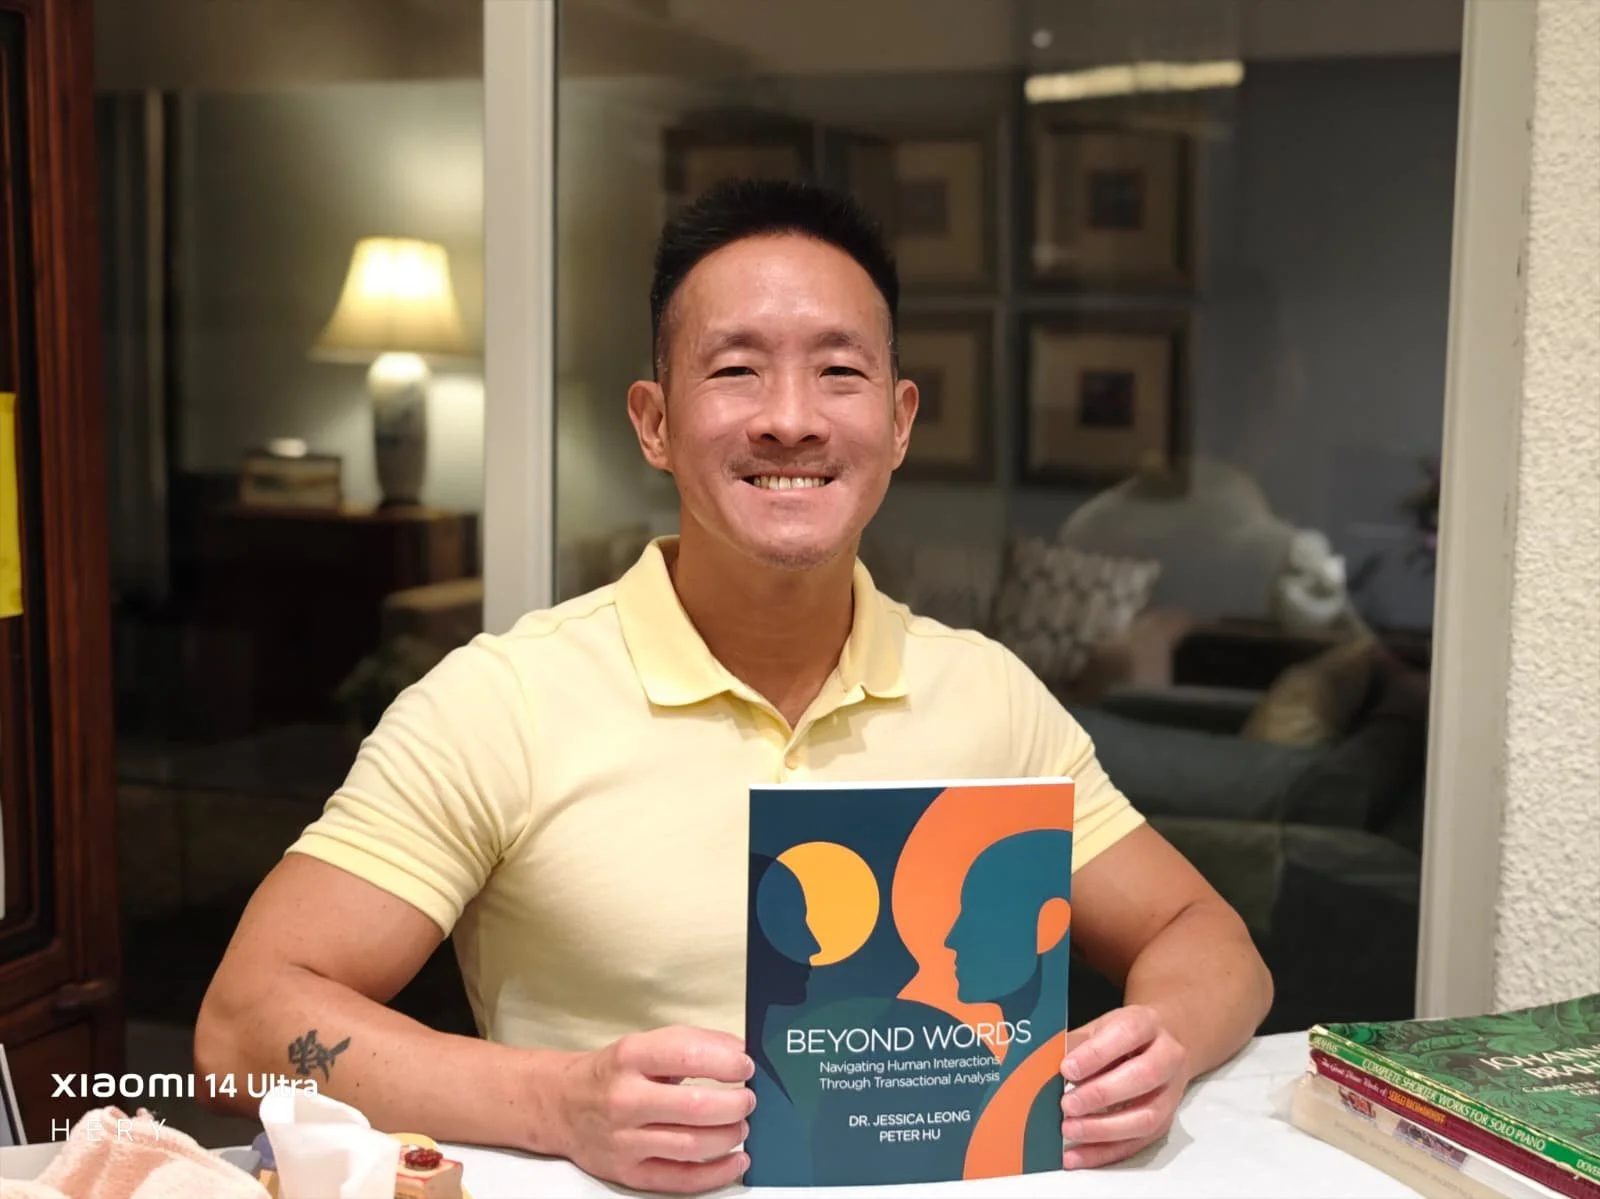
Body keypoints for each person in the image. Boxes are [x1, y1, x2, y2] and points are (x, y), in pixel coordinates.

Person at [195, 178, 1273, 1195]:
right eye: (736, 368)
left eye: (838, 372)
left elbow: (1204, 933)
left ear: (899, 421)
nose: (790, 418)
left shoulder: (985, 692)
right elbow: (244, 1021)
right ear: (654, 422)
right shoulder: (500, 701)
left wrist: (1160, 1038)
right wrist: (555, 1100)